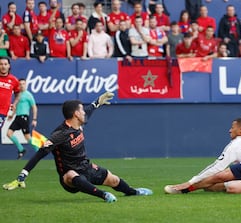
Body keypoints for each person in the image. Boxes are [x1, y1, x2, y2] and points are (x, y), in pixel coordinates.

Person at [3, 93, 153, 202]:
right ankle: (103, 195)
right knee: (70, 175)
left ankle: (134, 192)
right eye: (80, 110)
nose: (83, 112)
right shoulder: (59, 134)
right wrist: (23, 175)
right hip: (70, 177)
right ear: (75, 114)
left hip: (85, 167)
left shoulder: (78, 122)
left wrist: (98, 102)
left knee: (113, 180)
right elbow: (40, 154)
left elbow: (89, 110)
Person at [7, 79, 38, 159]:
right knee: (9, 133)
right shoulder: (18, 95)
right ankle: (21, 149)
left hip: (24, 117)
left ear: (26, 85)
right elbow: (16, 106)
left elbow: (34, 107)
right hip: (17, 117)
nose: (22, 85)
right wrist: (12, 115)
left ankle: (38, 151)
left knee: (27, 137)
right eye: (20, 84)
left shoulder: (28, 95)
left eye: (23, 84)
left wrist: (34, 119)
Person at [0, 57, 20, 130]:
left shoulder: (14, 80)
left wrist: (14, 103)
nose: (3, 66)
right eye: (1, 64)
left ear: (9, 66)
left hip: (3, 111)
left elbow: (18, 94)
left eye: (5, 64)